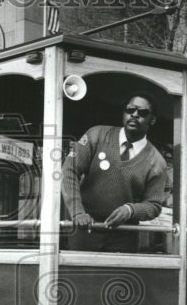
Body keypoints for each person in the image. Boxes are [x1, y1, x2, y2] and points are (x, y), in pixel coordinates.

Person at [61, 91, 170, 252]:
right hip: (85, 229)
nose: (134, 115)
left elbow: (153, 205)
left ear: (152, 120)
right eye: (130, 110)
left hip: (124, 235)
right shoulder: (96, 135)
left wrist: (130, 210)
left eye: (143, 112)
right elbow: (69, 171)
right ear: (123, 113)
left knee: (119, 277)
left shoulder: (157, 162)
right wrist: (77, 212)